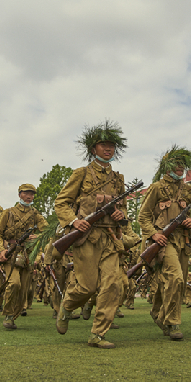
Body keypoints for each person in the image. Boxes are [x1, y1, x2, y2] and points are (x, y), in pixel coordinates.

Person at [54, 120, 128, 349]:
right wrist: (75, 221)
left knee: (112, 285)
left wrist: (120, 216)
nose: (108, 149)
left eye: (112, 146)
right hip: (86, 238)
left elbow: (124, 208)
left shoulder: (118, 179)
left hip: (110, 239)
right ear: (93, 149)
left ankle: (98, 334)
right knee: (87, 287)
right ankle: (66, 307)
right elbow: (61, 203)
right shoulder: (81, 174)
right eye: (103, 145)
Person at [139, 146, 191, 340]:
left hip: (184, 241)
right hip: (163, 241)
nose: (181, 167)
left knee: (174, 282)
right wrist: (153, 234)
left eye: (183, 164)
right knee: (176, 278)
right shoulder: (156, 188)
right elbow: (143, 216)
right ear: (167, 166)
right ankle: (173, 322)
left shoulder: (189, 190)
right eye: (177, 164)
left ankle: (158, 312)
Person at [0, 186, 48, 329]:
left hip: (27, 256)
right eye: (26, 193)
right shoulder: (8, 213)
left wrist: (39, 236)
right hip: (11, 253)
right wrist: (0, 251)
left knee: (23, 290)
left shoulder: (36, 214)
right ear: (19, 195)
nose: (29, 196)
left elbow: (47, 231)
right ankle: (9, 315)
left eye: (31, 194)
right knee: (14, 284)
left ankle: (14, 316)